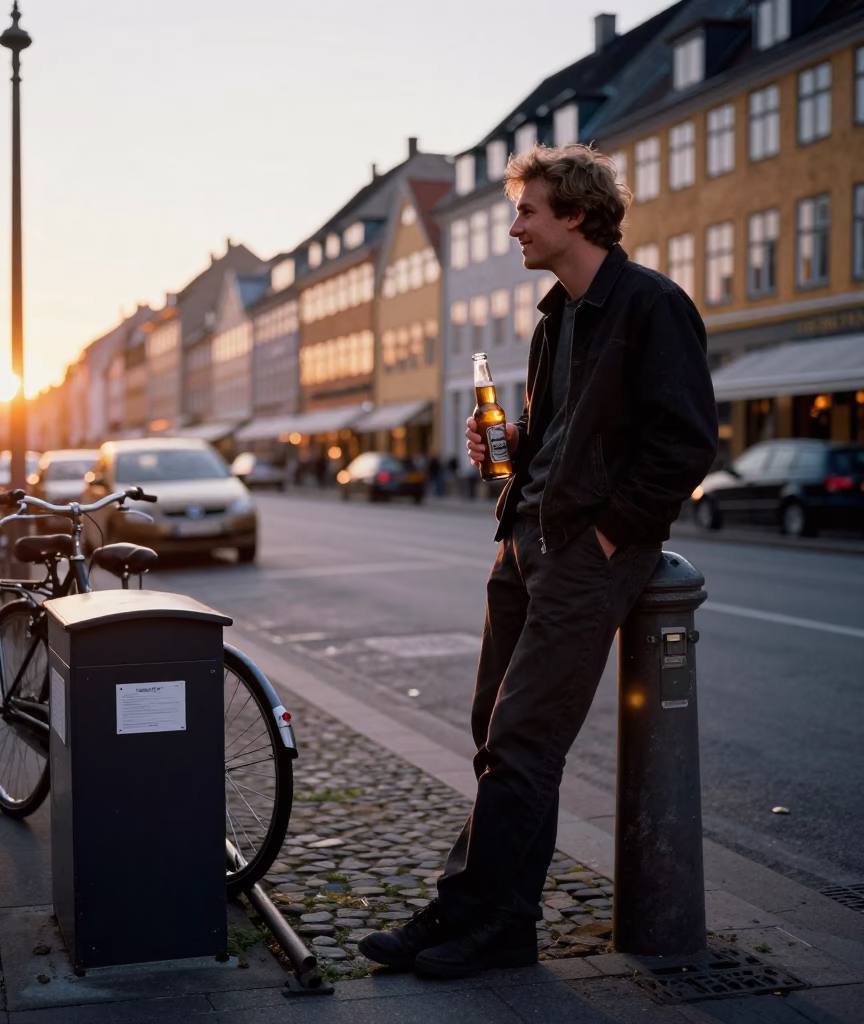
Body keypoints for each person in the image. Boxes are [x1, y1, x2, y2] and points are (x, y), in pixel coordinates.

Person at [359, 144, 717, 978]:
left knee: (524, 737)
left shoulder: (650, 307)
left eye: (526, 211)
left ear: (577, 216)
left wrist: (608, 534)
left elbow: (684, 442)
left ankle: (468, 916)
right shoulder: (557, 315)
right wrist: (515, 451)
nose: (514, 227)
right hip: (524, 542)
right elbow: (565, 439)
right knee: (497, 732)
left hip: (586, 557)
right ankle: (502, 923)